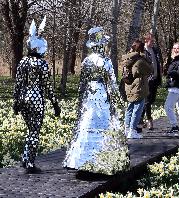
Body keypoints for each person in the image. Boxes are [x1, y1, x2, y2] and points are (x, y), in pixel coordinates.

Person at [63, 27, 130, 175]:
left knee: (87, 123)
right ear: (101, 45)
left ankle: (81, 160)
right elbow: (111, 83)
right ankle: (102, 161)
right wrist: (118, 101)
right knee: (103, 123)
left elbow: (82, 83)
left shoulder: (87, 61)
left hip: (89, 95)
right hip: (101, 93)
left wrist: (80, 101)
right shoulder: (105, 61)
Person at [13, 18, 61, 174]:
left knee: (30, 129)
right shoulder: (42, 64)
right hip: (35, 99)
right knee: (34, 131)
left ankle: (25, 158)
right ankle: (30, 163)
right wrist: (55, 103)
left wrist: (15, 102)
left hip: (23, 99)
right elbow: (48, 86)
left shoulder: (23, 62)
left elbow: (18, 84)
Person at [123, 39, 153, 139]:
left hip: (129, 86)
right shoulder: (140, 60)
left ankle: (127, 129)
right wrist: (146, 58)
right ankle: (132, 130)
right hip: (139, 87)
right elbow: (150, 70)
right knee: (137, 110)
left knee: (129, 108)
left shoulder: (127, 58)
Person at [139, 32, 162, 130]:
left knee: (151, 100)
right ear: (146, 40)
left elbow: (158, 62)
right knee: (147, 101)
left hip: (155, 78)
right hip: (147, 80)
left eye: (153, 41)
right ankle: (149, 120)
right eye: (151, 40)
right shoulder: (142, 51)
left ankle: (139, 119)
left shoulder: (155, 50)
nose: (153, 42)